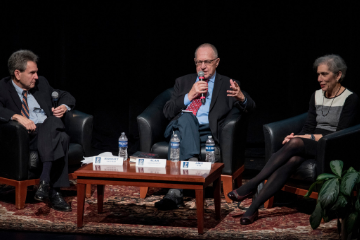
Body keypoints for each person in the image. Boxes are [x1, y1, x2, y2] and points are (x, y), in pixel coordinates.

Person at [228, 54, 359, 225]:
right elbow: (309, 125)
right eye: (318, 74)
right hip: (312, 144)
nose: (319, 78)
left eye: (324, 74)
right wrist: (299, 136)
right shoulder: (317, 95)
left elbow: (340, 133)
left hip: (332, 146)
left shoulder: (350, 98)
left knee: (296, 142)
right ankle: (253, 208)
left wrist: (300, 138)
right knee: (293, 159)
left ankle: (252, 183)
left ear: (338, 75)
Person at [155, 43, 256, 210]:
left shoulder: (227, 84)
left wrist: (241, 97)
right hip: (178, 129)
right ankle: (193, 165)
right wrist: (189, 95)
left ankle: (175, 193)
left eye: (207, 62)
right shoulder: (183, 81)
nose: (202, 67)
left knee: (184, 138)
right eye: (199, 62)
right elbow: (167, 112)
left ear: (217, 62)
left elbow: (251, 107)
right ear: (195, 62)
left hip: (206, 133)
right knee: (187, 117)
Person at [0, 50, 76, 212]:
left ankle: (45, 184)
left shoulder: (42, 83)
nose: (36, 76)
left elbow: (66, 95)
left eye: (37, 72)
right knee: (60, 134)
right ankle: (54, 191)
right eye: (32, 73)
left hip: (48, 133)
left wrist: (63, 106)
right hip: (26, 137)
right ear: (17, 74)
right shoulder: (3, 87)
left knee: (56, 130)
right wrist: (16, 116)